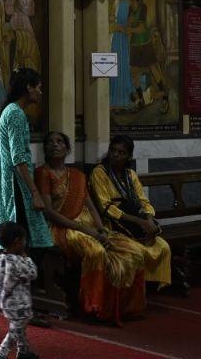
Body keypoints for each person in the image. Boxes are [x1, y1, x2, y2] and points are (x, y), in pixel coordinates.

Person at [35, 132, 146, 323]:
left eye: (60, 141)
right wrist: (86, 231)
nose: (55, 145)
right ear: (44, 149)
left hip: (90, 226)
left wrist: (101, 229)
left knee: (135, 251)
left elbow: (90, 205)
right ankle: (94, 306)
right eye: (50, 142)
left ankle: (126, 306)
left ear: (67, 149)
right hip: (62, 228)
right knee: (96, 252)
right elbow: (49, 213)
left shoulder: (77, 175)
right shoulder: (43, 173)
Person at [89, 135, 172, 289]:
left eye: (121, 152)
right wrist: (139, 221)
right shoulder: (99, 173)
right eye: (113, 150)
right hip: (111, 224)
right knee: (138, 251)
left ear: (129, 156)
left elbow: (143, 201)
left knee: (163, 247)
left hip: (136, 221)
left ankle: (151, 284)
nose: (115, 155)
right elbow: (105, 207)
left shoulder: (130, 175)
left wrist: (148, 219)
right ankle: (137, 286)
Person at [0, 68, 53, 254]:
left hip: (14, 182)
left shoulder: (10, 111)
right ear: (29, 87)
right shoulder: (16, 114)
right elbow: (19, 158)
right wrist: (34, 192)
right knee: (20, 241)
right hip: (17, 186)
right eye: (39, 87)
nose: (40, 92)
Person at [0, 222, 40, 359]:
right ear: (17, 242)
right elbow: (33, 273)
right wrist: (27, 257)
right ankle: (1, 354)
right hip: (20, 305)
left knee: (20, 328)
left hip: (6, 302)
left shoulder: (0, 259)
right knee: (15, 329)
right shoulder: (18, 262)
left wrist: (0, 299)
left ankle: (24, 351)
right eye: (24, 240)